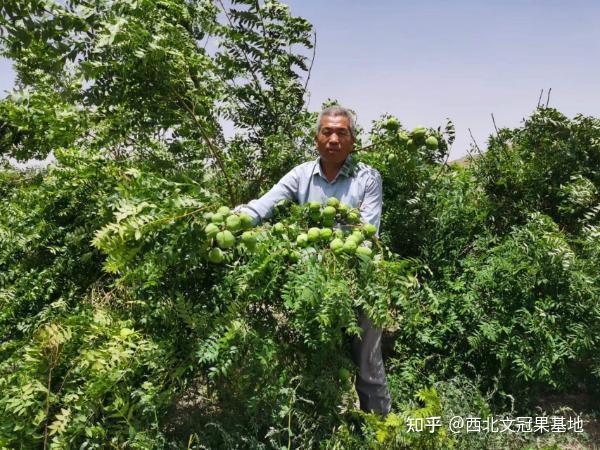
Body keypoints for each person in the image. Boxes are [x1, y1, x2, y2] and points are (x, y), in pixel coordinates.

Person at [238, 105, 391, 416]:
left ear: (352, 140)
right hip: (313, 282)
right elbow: (264, 204)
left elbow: (367, 232)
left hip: (361, 281)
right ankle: (324, 427)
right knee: (317, 358)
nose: (333, 138)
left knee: (367, 363)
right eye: (327, 132)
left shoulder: (368, 178)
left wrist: (330, 252)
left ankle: (380, 430)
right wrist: (233, 220)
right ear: (316, 139)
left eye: (341, 132)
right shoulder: (301, 175)